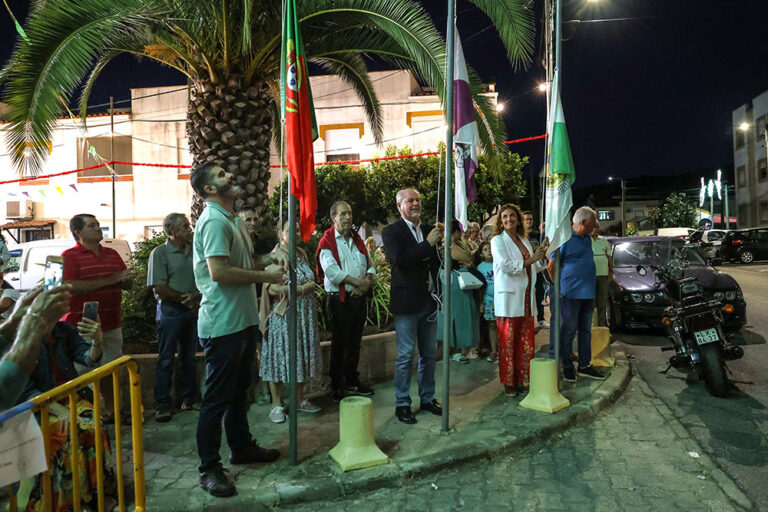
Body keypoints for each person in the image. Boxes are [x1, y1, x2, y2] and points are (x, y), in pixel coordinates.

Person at [189, 162, 284, 498]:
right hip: (222, 325)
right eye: (221, 175)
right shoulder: (214, 221)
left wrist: (271, 259)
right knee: (216, 398)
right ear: (209, 190)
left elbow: (247, 264)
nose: (230, 175)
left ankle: (242, 446)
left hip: (242, 322)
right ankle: (209, 468)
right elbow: (219, 272)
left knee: (240, 391)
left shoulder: (233, 220)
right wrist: (265, 277)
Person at [19, 315, 116, 511]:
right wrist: (57, 409)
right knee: (70, 434)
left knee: (93, 425)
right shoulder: (22, 338)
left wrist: (97, 340)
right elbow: (26, 389)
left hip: (72, 396)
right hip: (38, 404)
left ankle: (96, 494)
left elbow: (88, 358)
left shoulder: (63, 330)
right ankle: (68, 502)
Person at [381, 188, 444, 425]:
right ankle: (402, 404)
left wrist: (442, 246)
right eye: (410, 200)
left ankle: (427, 398)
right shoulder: (391, 232)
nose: (416, 203)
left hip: (429, 302)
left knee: (429, 355)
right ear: (400, 206)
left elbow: (434, 262)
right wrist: (427, 245)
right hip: (407, 305)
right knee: (406, 356)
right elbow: (401, 260)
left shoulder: (429, 230)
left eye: (418, 199)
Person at [62, 214, 132, 421]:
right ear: (78, 232)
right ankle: (86, 416)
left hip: (112, 322)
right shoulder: (70, 256)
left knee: (111, 370)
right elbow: (72, 286)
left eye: (98, 225)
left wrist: (127, 280)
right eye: (92, 226)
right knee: (84, 371)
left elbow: (123, 281)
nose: (99, 228)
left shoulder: (111, 253)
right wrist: (113, 279)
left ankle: (113, 412)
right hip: (83, 326)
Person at [260, 221, 322, 423]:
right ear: (279, 232)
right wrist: (300, 290)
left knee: (301, 356)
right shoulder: (276, 255)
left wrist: (308, 287)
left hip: (305, 316)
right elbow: (270, 288)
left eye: (296, 229)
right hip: (284, 316)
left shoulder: (301, 253)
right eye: (289, 230)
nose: (294, 233)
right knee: (279, 359)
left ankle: (299, 400)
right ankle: (276, 404)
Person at [317, 201, 375, 402]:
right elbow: (332, 272)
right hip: (338, 302)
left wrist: (366, 283)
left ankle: (352, 380)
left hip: (358, 300)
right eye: (342, 214)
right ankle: (337, 385)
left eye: (349, 213)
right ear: (333, 218)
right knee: (340, 344)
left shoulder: (358, 240)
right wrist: (358, 282)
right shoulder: (327, 242)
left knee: (355, 343)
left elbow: (371, 265)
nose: (348, 218)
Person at [147, 213, 201, 422]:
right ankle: (162, 403)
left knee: (189, 357)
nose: (190, 229)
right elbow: (158, 287)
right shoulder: (159, 253)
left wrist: (195, 296)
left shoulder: (193, 250)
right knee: (166, 358)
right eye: (185, 226)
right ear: (171, 231)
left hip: (191, 310)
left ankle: (190, 399)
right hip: (171, 311)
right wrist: (183, 299)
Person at [491, 204, 548, 396]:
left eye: (512, 216)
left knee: (525, 343)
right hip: (508, 300)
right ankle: (509, 382)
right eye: (505, 216)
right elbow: (506, 265)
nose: (509, 219)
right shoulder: (497, 241)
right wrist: (531, 261)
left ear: (518, 218)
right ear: (500, 220)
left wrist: (541, 255)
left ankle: (522, 379)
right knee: (508, 344)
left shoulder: (524, 239)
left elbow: (535, 267)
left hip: (525, 299)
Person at [547, 206, 606, 382]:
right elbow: (551, 267)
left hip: (588, 294)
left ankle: (584, 365)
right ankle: (567, 365)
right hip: (570, 295)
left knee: (585, 330)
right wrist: (558, 287)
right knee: (568, 331)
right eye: (593, 222)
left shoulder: (587, 238)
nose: (595, 225)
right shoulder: (564, 239)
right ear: (583, 222)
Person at [0, 285, 72, 411]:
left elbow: (87, 357)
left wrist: (14, 323)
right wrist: (33, 323)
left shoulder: (63, 330)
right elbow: (8, 386)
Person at [438, 220, 480, 363]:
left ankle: (463, 349)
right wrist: (463, 241)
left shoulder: (457, 244)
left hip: (461, 284)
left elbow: (469, 258)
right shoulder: (447, 245)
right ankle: (454, 351)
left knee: (464, 317)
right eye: (459, 232)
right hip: (453, 285)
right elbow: (467, 257)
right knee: (455, 318)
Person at [523, 211, 549, 332]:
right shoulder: (520, 237)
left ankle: (541, 319)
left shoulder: (537, 235)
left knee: (539, 294)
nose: (529, 222)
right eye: (527, 219)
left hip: (537, 269)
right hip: (524, 270)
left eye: (531, 219)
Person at [476, 241, 498, 362]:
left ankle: (503, 350)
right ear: (481, 253)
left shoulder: (499, 263)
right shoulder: (480, 267)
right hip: (488, 299)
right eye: (485, 249)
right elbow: (480, 287)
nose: (488, 251)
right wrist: (481, 303)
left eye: (490, 248)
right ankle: (494, 351)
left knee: (503, 325)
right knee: (492, 324)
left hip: (501, 298)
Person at [591, 222, 613, 327]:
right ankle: (591, 326)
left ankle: (602, 325)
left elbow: (609, 258)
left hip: (602, 275)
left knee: (602, 302)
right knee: (590, 302)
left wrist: (610, 272)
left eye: (596, 227)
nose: (594, 229)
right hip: (589, 276)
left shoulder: (604, 241)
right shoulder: (585, 240)